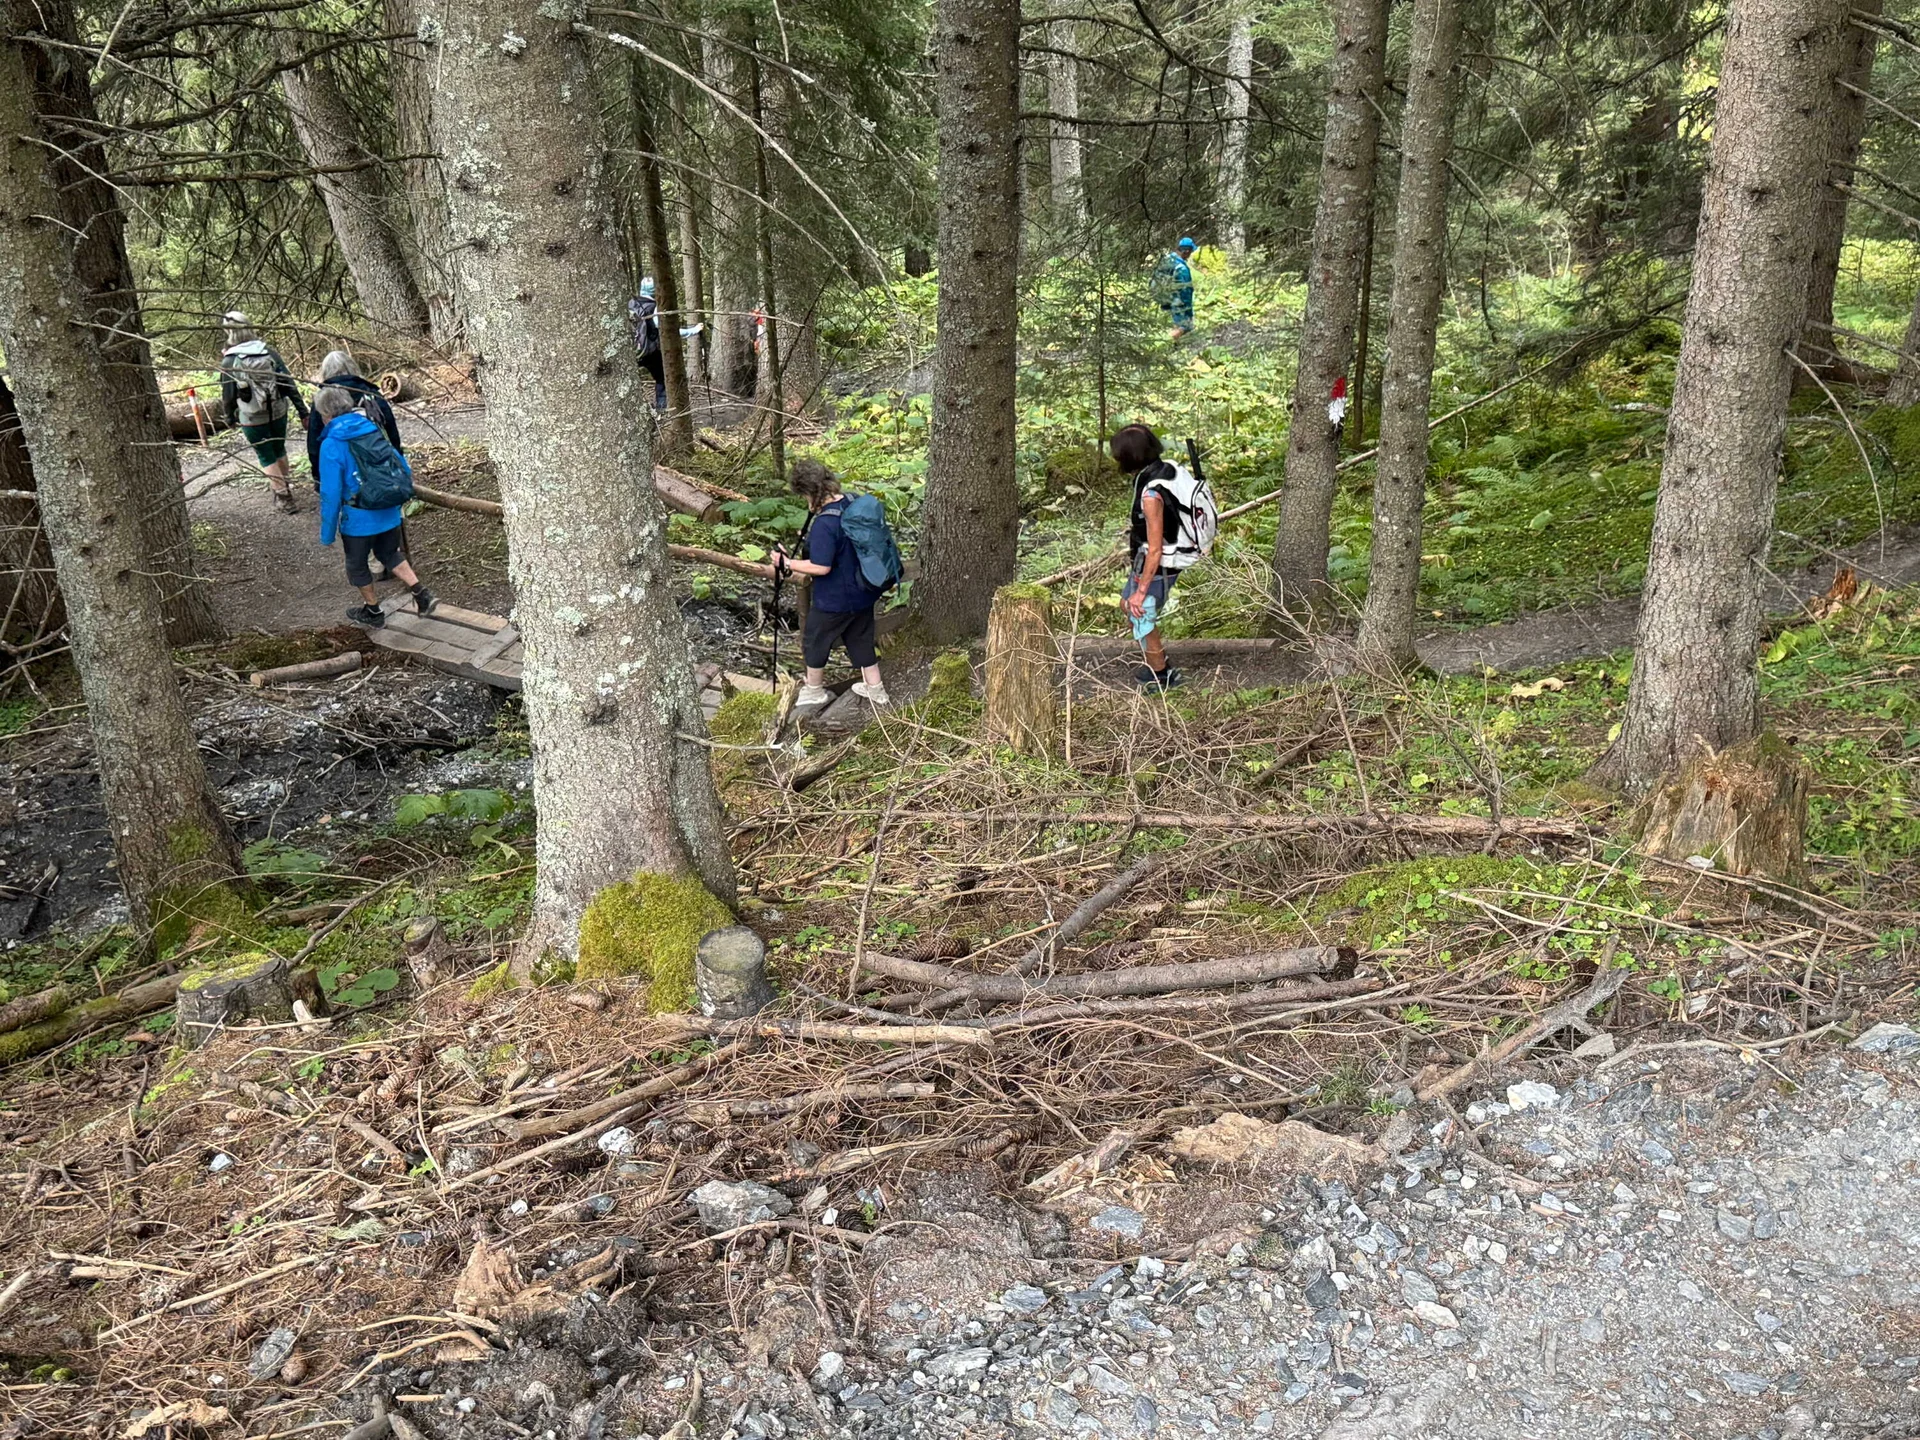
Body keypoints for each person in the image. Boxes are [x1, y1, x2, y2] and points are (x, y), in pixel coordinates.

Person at [313, 384, 435, 629]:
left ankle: (373, 611)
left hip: (359, 519)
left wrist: (327, 533)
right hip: (388, 510)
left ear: (325, 414)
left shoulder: (332, 443)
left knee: (357, 566)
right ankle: (421, 594)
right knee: (389, 552)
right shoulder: (371, 428)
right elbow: (400, 463)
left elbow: (331, 492)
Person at [771, 459, 890, 709]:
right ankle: (876, 690)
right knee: (860, 638)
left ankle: (814, 691)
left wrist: (788, 563)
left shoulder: (825, 523)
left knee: (814, 639)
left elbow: (820, 566)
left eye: (803, 495)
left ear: (809, 491)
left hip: (836, 599)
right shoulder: (851, 501)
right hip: (864, 591)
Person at [1114, 422, 1213, 692]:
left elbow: (1155, 548)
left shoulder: (1151, 494)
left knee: (1140, 611)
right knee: (1128, 604)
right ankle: (1158, 665)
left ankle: (1161, 674)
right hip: (1162, 556)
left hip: (1160, 562)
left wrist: (1142, 589)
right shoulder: (1166, 467)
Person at [219, 311, 310, 514]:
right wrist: (303, 411)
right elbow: (288, 382)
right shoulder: (268, 351)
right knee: (279, 449)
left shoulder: (230, 361)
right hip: (278, 411)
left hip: (252, 417)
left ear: (229, 332)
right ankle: (284, 488)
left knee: (265, 455)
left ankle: (284, 498)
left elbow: (228, 395)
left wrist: (229, 417)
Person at [305, 349, 403, 481]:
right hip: (377, 462)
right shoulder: (370, 393)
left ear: (325, 372)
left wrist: (318, 475)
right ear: (352, 367)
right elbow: (390, 430)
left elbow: (314, 441)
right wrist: (398, 460)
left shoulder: (322, 399)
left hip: (341, 469)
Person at [1151, 236, 1198, 338]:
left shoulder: (1167, 259)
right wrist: (1188, 311)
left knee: (1177, 323)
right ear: (1186, 251)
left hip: (1166, 297)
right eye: (1190, 251)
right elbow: (1185, 291)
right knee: (1185, 326)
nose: (1190, 254)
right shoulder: (1182, 269)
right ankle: (1169, 340)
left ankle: (1175, 345)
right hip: (1177, 300)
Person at [631, 279, 666, 411]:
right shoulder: (655, 307)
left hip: (632, 350)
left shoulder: (630, 303)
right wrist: (693, 331)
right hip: (651, 351)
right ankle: (662, 409)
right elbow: (663, 328)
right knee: (662, 378)